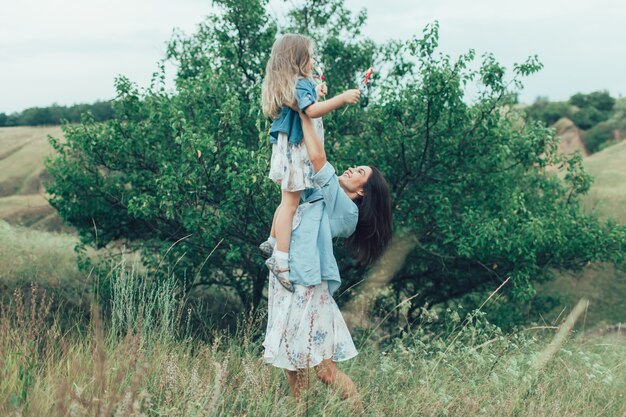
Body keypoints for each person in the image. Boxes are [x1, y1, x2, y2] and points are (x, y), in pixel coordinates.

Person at [263, 111, 393, 411]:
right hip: (287, 276)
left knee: (323, 368)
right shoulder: (322, 193)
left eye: (359, 171)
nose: (351, 168)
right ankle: (301, 411)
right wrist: (310, 112)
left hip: (309, 284)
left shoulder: (348, 211)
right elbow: (304, 162)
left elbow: (318, 158)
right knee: (292, 360)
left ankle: (359, 411)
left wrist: (305, 111)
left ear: (362, 191)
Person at [259, 33, 361, 292]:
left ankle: (272, 240)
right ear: (298, 59)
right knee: (290, 203)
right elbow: (310, 111)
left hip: (287, 148)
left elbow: (306, 103)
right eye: (311, 56)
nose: (314, 61)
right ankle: (280, 260)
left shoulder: (291, 84)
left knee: (286, 200)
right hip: (296, 150)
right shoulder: (300, 82)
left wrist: (314, 92)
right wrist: (342, 99)